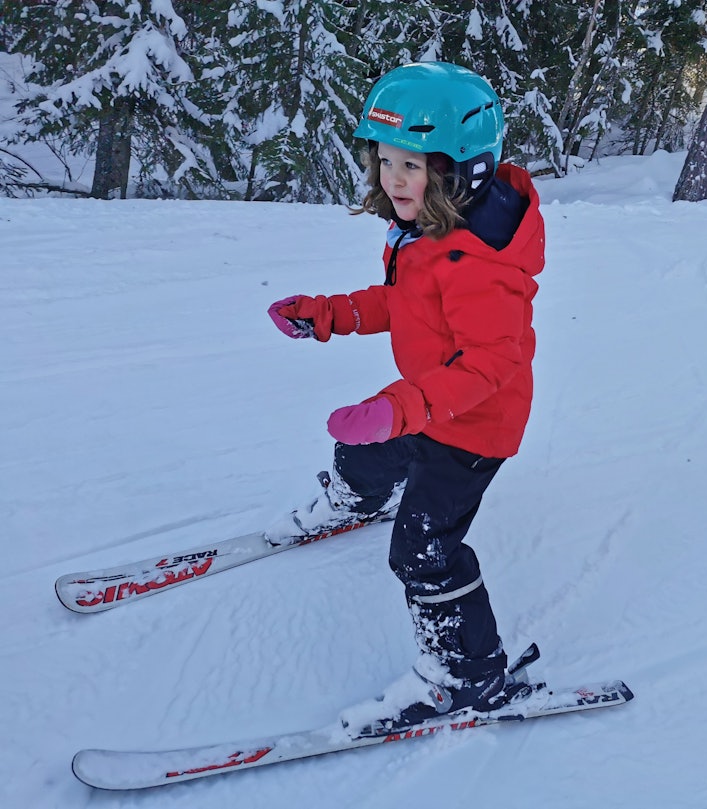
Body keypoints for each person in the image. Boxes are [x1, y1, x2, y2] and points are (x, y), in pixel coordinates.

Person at [265, 62, 545, 730]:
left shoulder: (479, 262)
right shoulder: (427, 235)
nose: (393, 179)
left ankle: (468, 674)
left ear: (463, 170)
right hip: (427, 398)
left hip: (476, 428)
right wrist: (328, 314)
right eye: (385, 160)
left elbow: (492, 363)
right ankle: (357, 496)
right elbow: (403, 303)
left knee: (423, 547)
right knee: (362, 449)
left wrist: (400, 408)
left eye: (413, 166)